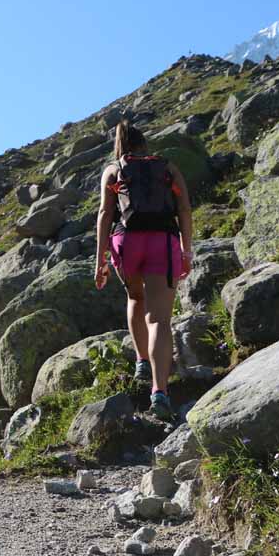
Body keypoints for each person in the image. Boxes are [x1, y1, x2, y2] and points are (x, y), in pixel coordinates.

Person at [94, 120, 193, 420]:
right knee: (159, 319)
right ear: (144, 144)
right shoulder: (167, 167)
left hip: (126, 242)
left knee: (135, 297)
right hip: (162, 241)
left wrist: (100, 260)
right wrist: (186, 250)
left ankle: (141, 362)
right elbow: (184, 208)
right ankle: (159, 392)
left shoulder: (113, 170)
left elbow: (105, 213)